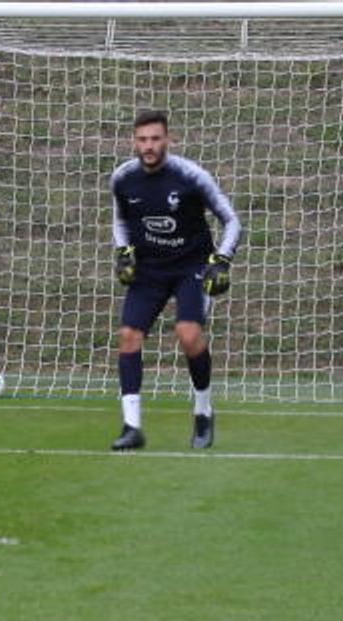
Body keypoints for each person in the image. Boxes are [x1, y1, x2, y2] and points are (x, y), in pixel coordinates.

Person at [109, 109, 241, 451]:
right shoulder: (123, 179)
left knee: (188, 334)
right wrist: (124, 252)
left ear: (168, 139)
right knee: (128, 336)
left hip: (191, 267)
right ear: (133, 141)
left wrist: (222, 261)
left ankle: (203, 412)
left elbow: (231, 220)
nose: (148, 146)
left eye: (155, 139)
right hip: (150, 269)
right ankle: (132, 428)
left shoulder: (191, 176)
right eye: (142, 140)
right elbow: (121, 220)